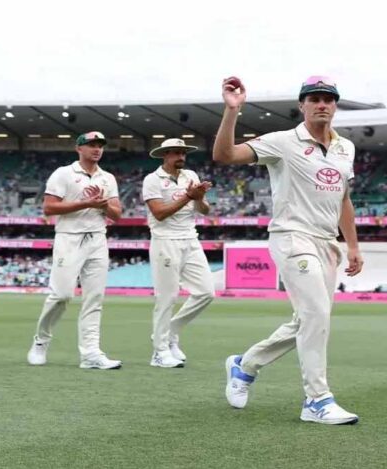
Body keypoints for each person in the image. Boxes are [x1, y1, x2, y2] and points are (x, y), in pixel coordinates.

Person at [213, 76, 364, 425]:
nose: (322, 104)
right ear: (302, 105)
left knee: (308, 318)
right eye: (314, 99)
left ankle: (245, 365)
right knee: (316, 314)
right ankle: (317, 400)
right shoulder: (282, 141)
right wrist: (232, 111)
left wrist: (353, 245)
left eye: (328, 99)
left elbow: (343, 198)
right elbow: (225, 155)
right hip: (292, 237)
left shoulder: (346, 148)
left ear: (336, 105)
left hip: (327, 242)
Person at [27, 131, 123, 370]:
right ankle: (41, 341)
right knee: (61, 295)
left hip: (98, 238)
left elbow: (117, 214)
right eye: (91, 145)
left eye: (100, 145)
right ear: (79, 148)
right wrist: (86, 203)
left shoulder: (107, 178)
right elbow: (49, 208)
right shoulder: (63, 173)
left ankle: (90, 353)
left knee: (94, 298)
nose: (97, 149)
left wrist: (103, 205)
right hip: (69, 238)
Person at [142, 138, 215, 368]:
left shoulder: (190, 176)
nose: (181, 156)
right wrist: (188, 197)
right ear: (165, 155)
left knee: (206, 292)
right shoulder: (152, 179)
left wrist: (199, 198)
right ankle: (159, 352)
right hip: (165, 241)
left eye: (183, 153)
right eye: (175, 153)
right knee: (167, 297)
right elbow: (159, 213)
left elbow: (204, 210)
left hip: (190, 239)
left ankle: (170, 332)